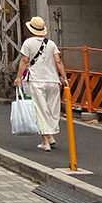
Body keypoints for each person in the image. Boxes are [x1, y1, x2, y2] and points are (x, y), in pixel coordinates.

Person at [14, 16, 68, 152]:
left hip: (37, 81)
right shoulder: (51, 44)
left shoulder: (28, 43)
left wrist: (18, 77)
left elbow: (24, 61)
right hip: (53, 81)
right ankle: (51, 136)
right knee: (52, 110)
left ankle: (45, 142)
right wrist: (64, 77)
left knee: (40, 110)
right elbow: (58, 62)